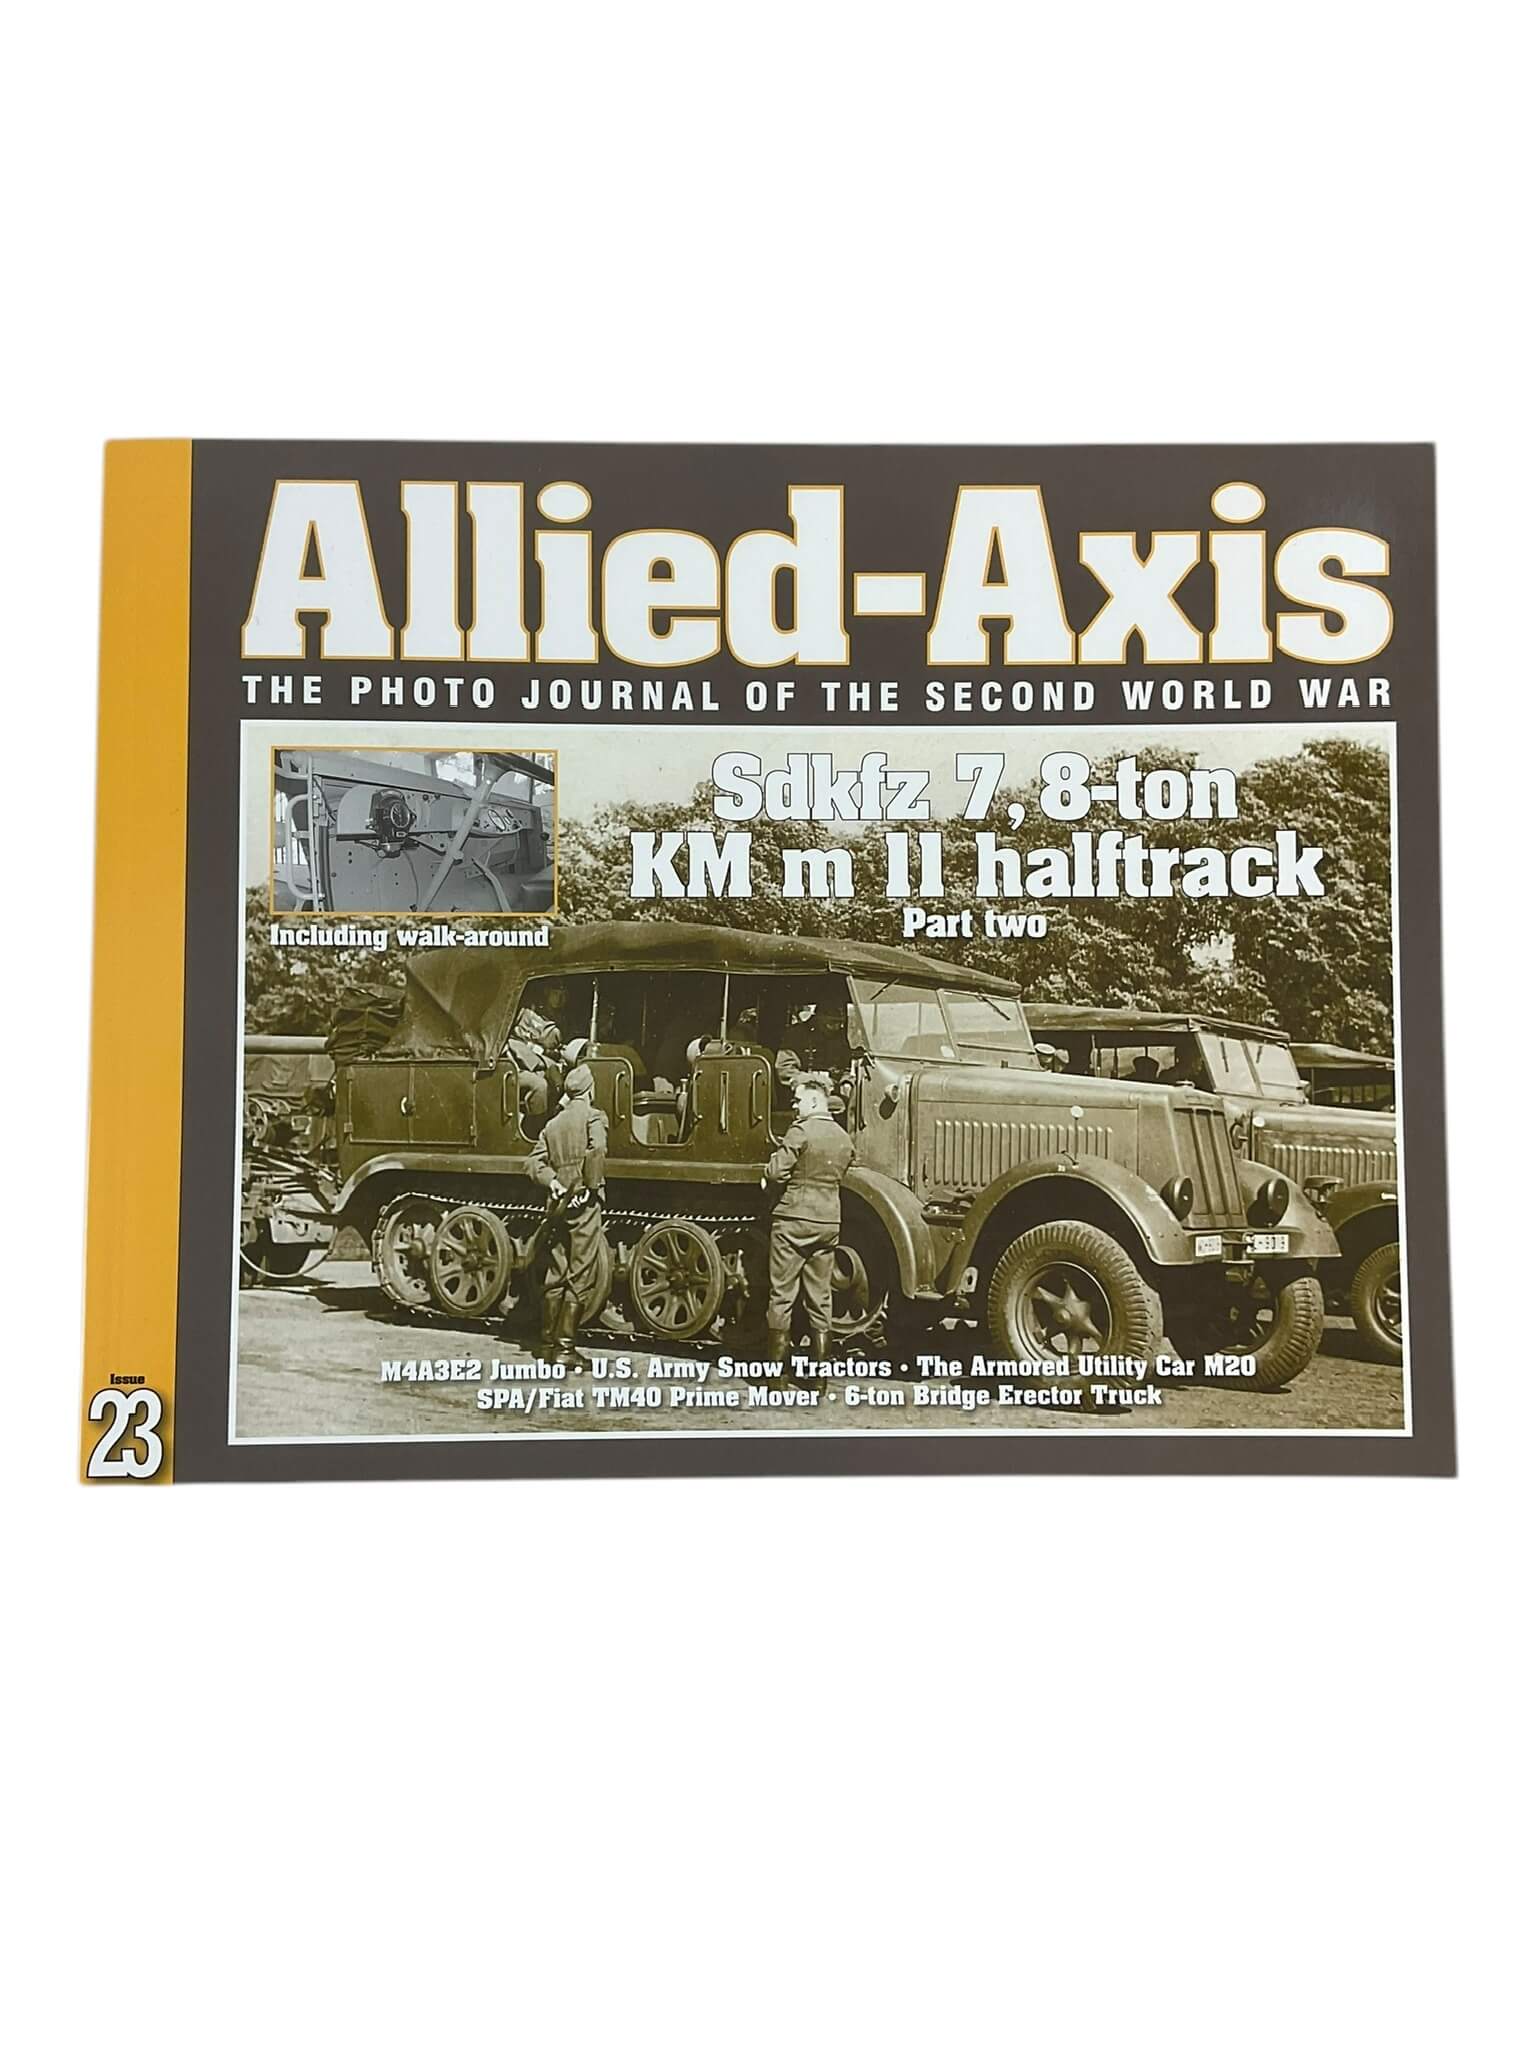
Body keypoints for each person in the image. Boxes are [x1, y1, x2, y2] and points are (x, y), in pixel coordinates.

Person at [761, 1069, 856, 1364]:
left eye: (798, 1100)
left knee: (782, 1295)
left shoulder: (800, 1131)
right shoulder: (843, 1137)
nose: (794, 1106)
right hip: (828, 1222)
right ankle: (819, 1378)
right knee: (820, 1296)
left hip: (793, 1221)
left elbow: (776, 1172)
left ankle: (777, 1376)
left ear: (814, 1102)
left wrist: (767, 1178)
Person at [524, 1063, 608, 1366]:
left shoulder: (553, 1124)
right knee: (580, 1272)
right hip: (583, 1203)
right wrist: (590, 1187)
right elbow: (597, 1150)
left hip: (558, 1203)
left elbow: (532, 1163)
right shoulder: (593, 1116)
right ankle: (565, 1349)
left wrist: (553, 1182)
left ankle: (547, 1345)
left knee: (556, 1270)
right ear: (590, 1090)